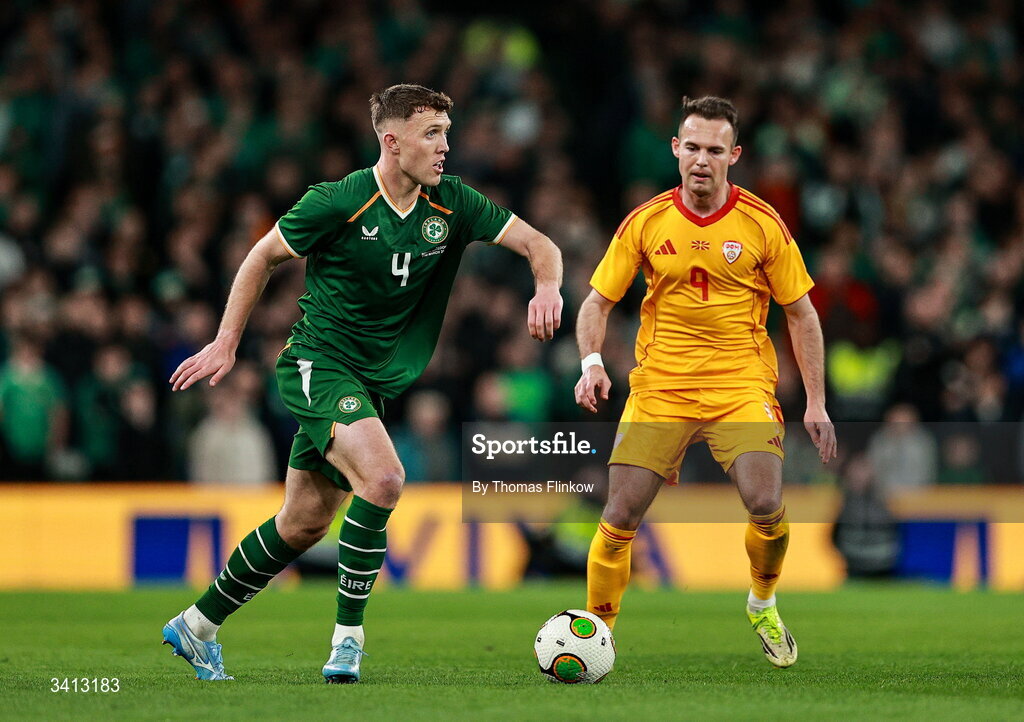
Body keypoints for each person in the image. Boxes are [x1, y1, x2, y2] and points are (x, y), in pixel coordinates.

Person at [161, 84, 563, 683]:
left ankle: (196, 626)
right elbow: (260, 257)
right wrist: (225, 342)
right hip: (317, 363)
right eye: (433, 134)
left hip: (372, 383)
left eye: (447, 133)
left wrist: (549, 287)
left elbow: (540, 244)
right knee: (384, 477)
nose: (446, 146)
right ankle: (347, 641)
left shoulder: (452, 203)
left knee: (302, 524)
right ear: (391, 140)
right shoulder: (338, 200)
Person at [574, 96, 836, 668]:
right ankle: (595, 632)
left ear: (734, 156)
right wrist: (591, 362)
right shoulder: (644, 222)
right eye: (691, 147)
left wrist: (815, 401)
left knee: (765, 501)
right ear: (675, 149)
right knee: (619, 516)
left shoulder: (763, 224)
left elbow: (802, 314)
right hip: (661, 385)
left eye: (715, 150)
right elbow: (597, 302)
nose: (701, 159)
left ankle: (762, 600)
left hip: (739, 382)